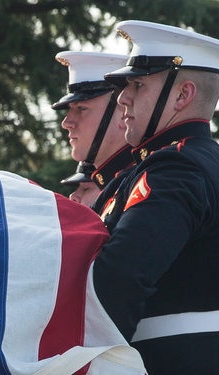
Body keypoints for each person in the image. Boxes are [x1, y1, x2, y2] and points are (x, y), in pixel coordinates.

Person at [93, 20, 219, 373]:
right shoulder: (181, 163)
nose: (123, 98)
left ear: (183, 96)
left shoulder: (177, 168)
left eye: (137, 85)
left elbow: (119, 279)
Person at [52, 51, 134, 210]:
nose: (66, 123)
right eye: (70, 110)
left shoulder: (143, 181)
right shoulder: (118, 186)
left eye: (81, 108)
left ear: (124, 113)